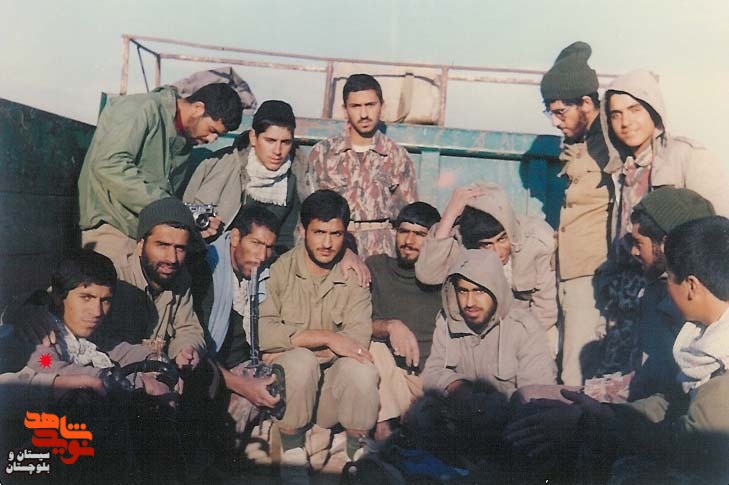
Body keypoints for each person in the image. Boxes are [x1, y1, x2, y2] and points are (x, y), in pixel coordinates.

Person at [507, 216, 729, 484]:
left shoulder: (721, 363)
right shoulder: (706, 334)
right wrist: (605, 414)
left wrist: (588, 426)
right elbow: (674, 402)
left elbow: (688, 446)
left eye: (669, 277)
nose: (666, 286)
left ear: (691, 286)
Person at [597, 68, 729, 377]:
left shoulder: (687, 155)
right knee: (622, 376)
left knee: (670, 373)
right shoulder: (622, 168)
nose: (625, 122)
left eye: (634, 109)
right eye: (615, 114)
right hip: (630, 294)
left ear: (654, 110)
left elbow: (718, 230)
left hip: (676, 292)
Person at [259, 190, 378, 483]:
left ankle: (357, 455)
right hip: (291, 390)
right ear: (303, 231)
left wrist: (291, 344)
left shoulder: (354, 276)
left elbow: (357, 339)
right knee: (300, 361)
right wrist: (328, 338)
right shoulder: (280, 270)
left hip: (329, 395)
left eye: (336, 234)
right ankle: (292, 452)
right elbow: (264, 332)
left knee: (361, 367)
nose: (327, 243)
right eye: (319, 232)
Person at [79, 83, 243, 261]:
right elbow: (109, 165)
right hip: (113, 227)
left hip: (145, 234)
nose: (211, 139)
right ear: (198, 108)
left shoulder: (184, 137)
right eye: (212, 130)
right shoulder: (140, 108)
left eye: (218, 136)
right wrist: (170, 208)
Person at [421, 248, 556, 437]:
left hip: (511, 426)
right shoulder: (447, 322)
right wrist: (457, 386)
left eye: (478, 291)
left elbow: (536, 395)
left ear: (496, 289)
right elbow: (430, 374)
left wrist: (482, 404)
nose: (469, 302)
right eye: (462, 291)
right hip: (460, 424)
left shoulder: (525, 327)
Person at [540, 41, 611, 385]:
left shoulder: (610, 142)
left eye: (560, 113)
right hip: (570, 270)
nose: (555, 123)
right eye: (550, 113)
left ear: (585, 103)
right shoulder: (579, 142)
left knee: (576, 375)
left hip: (592, 273)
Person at [415, 182, 558, 352]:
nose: (497, 252)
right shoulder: (464, 241)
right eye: (487, 245)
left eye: (502, 239)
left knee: (548, 340)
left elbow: (546, 310)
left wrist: (509, 344)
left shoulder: (538, 241)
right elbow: (427, 274)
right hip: (477, 331)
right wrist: (450, 214)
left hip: (524, 329)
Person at [190, 206, 281, 443]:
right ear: (235, 238)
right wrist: (245, 387)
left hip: (246, 365)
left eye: (269, 247)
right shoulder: (206, 270)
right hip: (209, 371)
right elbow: (196, 352)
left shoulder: (268, 271)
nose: (262, 256)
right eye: (256, 243)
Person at [306, 73, 418, 258]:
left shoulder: (397, 156)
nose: (364, 114)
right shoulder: (323, 154)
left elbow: (410, 218)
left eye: (370, 105)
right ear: (345, 110)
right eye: (356, 106)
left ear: (382, 106)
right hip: (334, 250)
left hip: (383, 254)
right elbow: (307, 214)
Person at [184, 100, 305, 251]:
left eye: (286, 142)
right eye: (270, 141)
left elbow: (288, 239)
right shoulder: (219, 165)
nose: (277, 151)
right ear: (253, 137)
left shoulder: (296, 177)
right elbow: (187, 215)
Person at [365, 202, 442, 439]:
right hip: (388, 377)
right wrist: (391, 326)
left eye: (420, 234)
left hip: (427, 380)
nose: (409, 241)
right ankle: (385, 433)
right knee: (373, 346)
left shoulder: (443, 278)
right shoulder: (376, 267)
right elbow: (356, 324)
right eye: (404, 231)